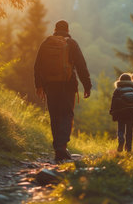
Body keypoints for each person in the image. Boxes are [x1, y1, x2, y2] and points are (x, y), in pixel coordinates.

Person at [34, 20, 92, 162]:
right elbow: (81, 66)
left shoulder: (46, 43)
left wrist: (39, 86)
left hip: (50, 85)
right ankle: (62, 147)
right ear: (67, 30)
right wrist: (87, 85)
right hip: (68, 84)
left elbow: (37, 66)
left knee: (55, 115)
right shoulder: (72, 43)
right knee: (66, 114)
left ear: (55, 29)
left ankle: (57, 148)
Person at [110, 73, 133, 152]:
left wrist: (112, 111)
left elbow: (113, 101)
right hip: (132, 112)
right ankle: (128, 149)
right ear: (131, 80)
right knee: (129, 131)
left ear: (120, 80)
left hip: (121, 112)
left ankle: (121, 140)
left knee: (120, 129)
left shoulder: (118, 90)